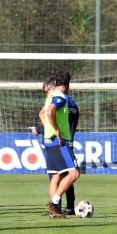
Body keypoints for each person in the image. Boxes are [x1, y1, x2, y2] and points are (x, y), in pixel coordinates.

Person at [39, 75, 80, 219]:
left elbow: (42, 113)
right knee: (74, 173)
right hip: (60, 141)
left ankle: (53, 211)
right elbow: (49, 112)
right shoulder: (61, 98)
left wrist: (48, 128)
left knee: (55, 176)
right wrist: (56, 130)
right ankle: (55, 203)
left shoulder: (50, 96)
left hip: (48, 141)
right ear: (68, 84)